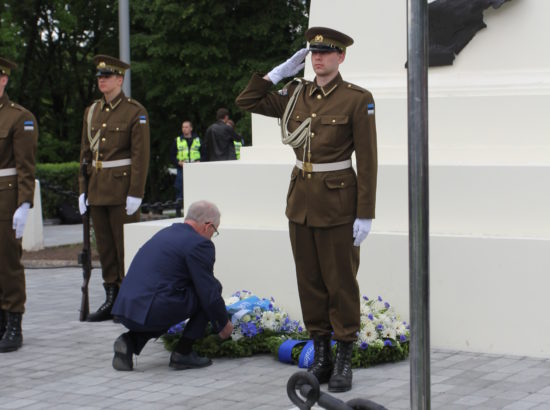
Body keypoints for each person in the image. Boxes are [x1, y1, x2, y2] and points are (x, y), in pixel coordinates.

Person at [236, 27, 377, 392]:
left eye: (327, 53)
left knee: (340, 283)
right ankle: (322, 356)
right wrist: (276, 74)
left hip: (338, 203)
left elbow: (369, 159)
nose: (318, 58)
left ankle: (344, 358)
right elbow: (246, 102)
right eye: (313, 52)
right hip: (300, 202)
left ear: (341, 57)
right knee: (310, 282)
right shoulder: (295, 94)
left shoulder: (356, 99)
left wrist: (366, 211)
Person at [111, 200, 233, 371]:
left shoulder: (165, 233)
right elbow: (208, 291)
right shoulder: (200, 244)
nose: (213, 235)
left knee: (170, 299)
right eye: (215, 230)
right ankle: (183, 352)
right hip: (153, 307)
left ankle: (129, 341)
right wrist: (223, 324)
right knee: (211, 288)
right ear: (208, 225)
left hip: (126, 308)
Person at [78, 55, 150, 322]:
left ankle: (128, 299)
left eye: (106, 76)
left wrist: (136, 192)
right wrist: (82, 189)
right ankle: (111, 296)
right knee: (106, 248)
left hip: (122, 190)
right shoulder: (92, 111)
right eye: (99, 77)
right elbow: (85, 154)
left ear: (120, 79)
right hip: (97, 188)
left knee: (124, 247)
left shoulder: (135, 111)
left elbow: (140, 156)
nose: (101, 80)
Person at [0, 58, 38, 352]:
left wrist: (24, 204)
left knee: (7, 263)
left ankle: (14, 320)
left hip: (5, 199)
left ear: (4, 81)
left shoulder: (18, 117)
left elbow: (26, 166)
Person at [169, 120, 201, 215]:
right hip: (182, 169)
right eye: (183, 127)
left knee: (195, 191)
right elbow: (171, 155)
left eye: (186, 127)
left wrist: (200, 161)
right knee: (179, 191)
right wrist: (178, 162)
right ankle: (178, 214)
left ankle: (196, 214)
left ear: (191, 128)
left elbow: (204, 153)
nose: (184, 129)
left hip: (195, 170)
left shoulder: (198, 140)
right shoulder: (178, 140)